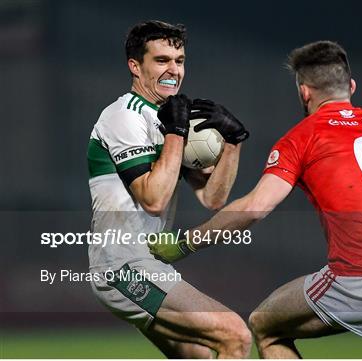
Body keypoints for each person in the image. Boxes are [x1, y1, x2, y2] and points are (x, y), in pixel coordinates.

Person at [149, 40, 362, 358]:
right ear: (350, 86)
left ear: (304, 92)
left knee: (265, 325)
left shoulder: (302, 137)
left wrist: (186, 243)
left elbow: (256, 208)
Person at [87, 20, 252, 358]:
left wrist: (234, 143)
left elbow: (213, 197)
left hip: (147, 264)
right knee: (235, 334)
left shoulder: (169, 117)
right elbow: (153, 198)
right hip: (122, 266)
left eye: (179, 60)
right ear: (135, 66)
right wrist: (175, 132)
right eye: (161, 60)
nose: (173, 70)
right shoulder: (123, 117)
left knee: (204, 353)